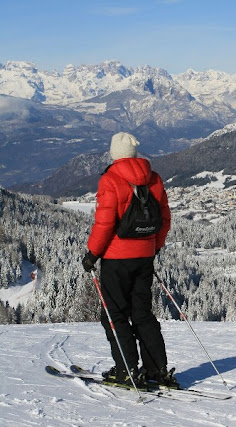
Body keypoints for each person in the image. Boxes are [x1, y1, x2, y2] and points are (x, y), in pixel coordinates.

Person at [82, 132, 176, 388]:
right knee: (142, 313)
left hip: (116, 258)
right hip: (144, 256)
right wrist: (154, 247)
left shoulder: (111, 179)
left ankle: (127, 369)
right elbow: (164, 218)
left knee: (115, 314)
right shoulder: (153, 179)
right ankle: (157, 369)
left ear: (114, 153)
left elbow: (105, 223)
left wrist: (92, 254)